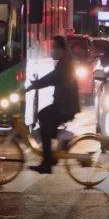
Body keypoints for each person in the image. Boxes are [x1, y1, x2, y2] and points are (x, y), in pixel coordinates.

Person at [26, 36, 81, 174]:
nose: (52, 51)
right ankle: (60, 142)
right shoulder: (64, 62)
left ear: (62, 50)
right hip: (63, 104)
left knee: (45, 126)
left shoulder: (65, 64)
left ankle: (47, 163)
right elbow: (53, 76)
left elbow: (53, 78)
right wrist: (35, 85)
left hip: (65, 106)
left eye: (54, 48)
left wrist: (34, 85)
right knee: (43, 117)